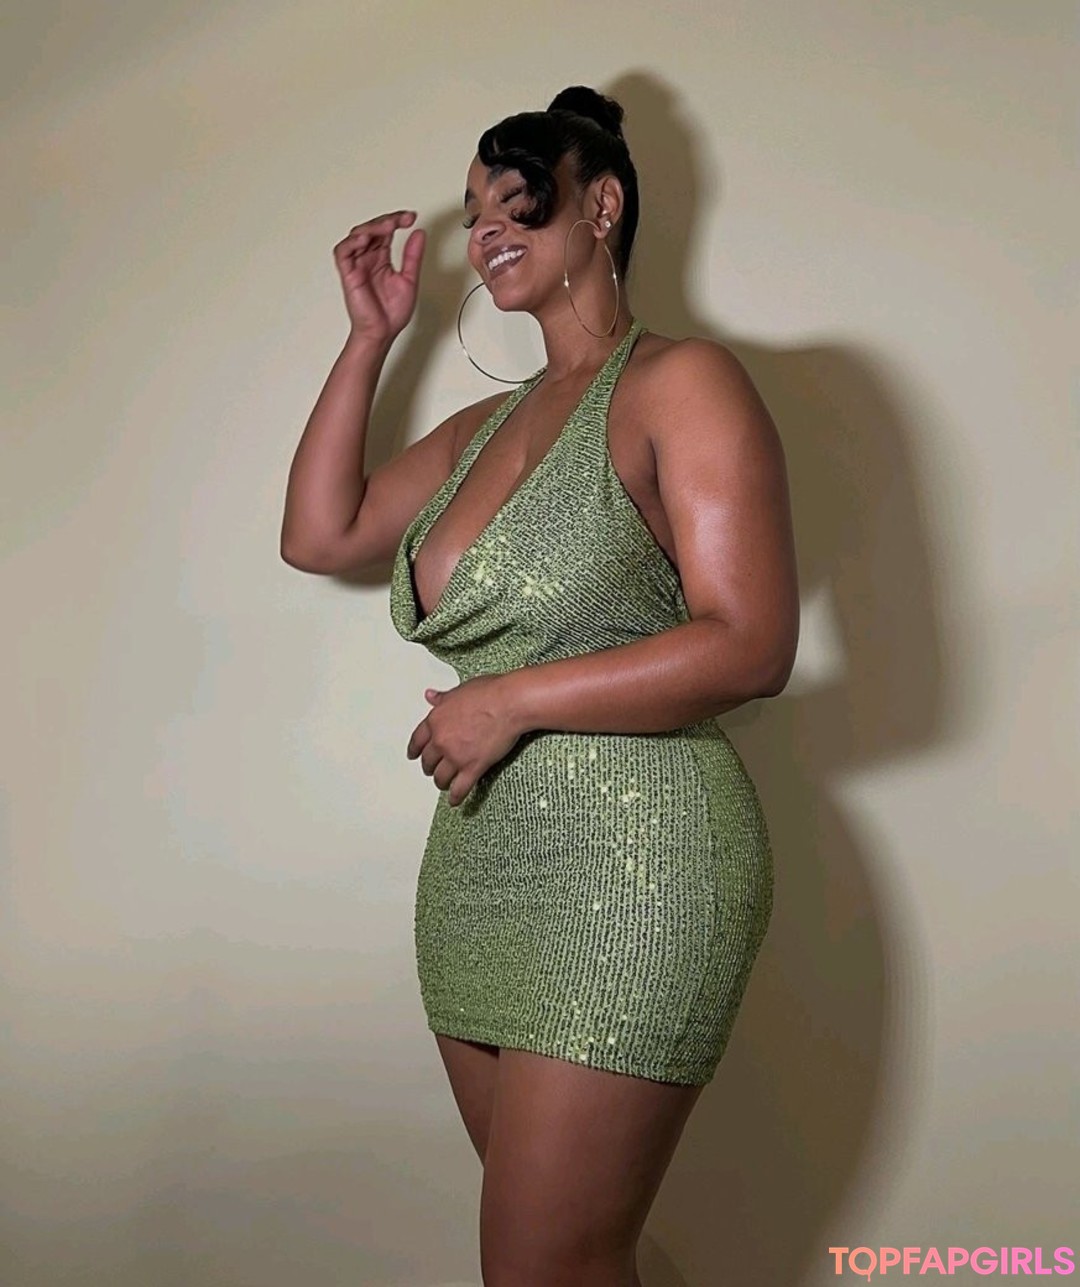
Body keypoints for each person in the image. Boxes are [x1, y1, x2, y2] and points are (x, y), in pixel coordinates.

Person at [281, 85, 799, 1287]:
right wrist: (370, 338)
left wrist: (507, 699)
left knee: (542, 1263)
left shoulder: (682, 382)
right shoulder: (478, 429)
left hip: (641, 856)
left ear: (601, 206)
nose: (484, 232)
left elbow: (750, 643)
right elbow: (319, 534)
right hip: (481, 865)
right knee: (566, 1259)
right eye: (472, 214)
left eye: (515, 201)